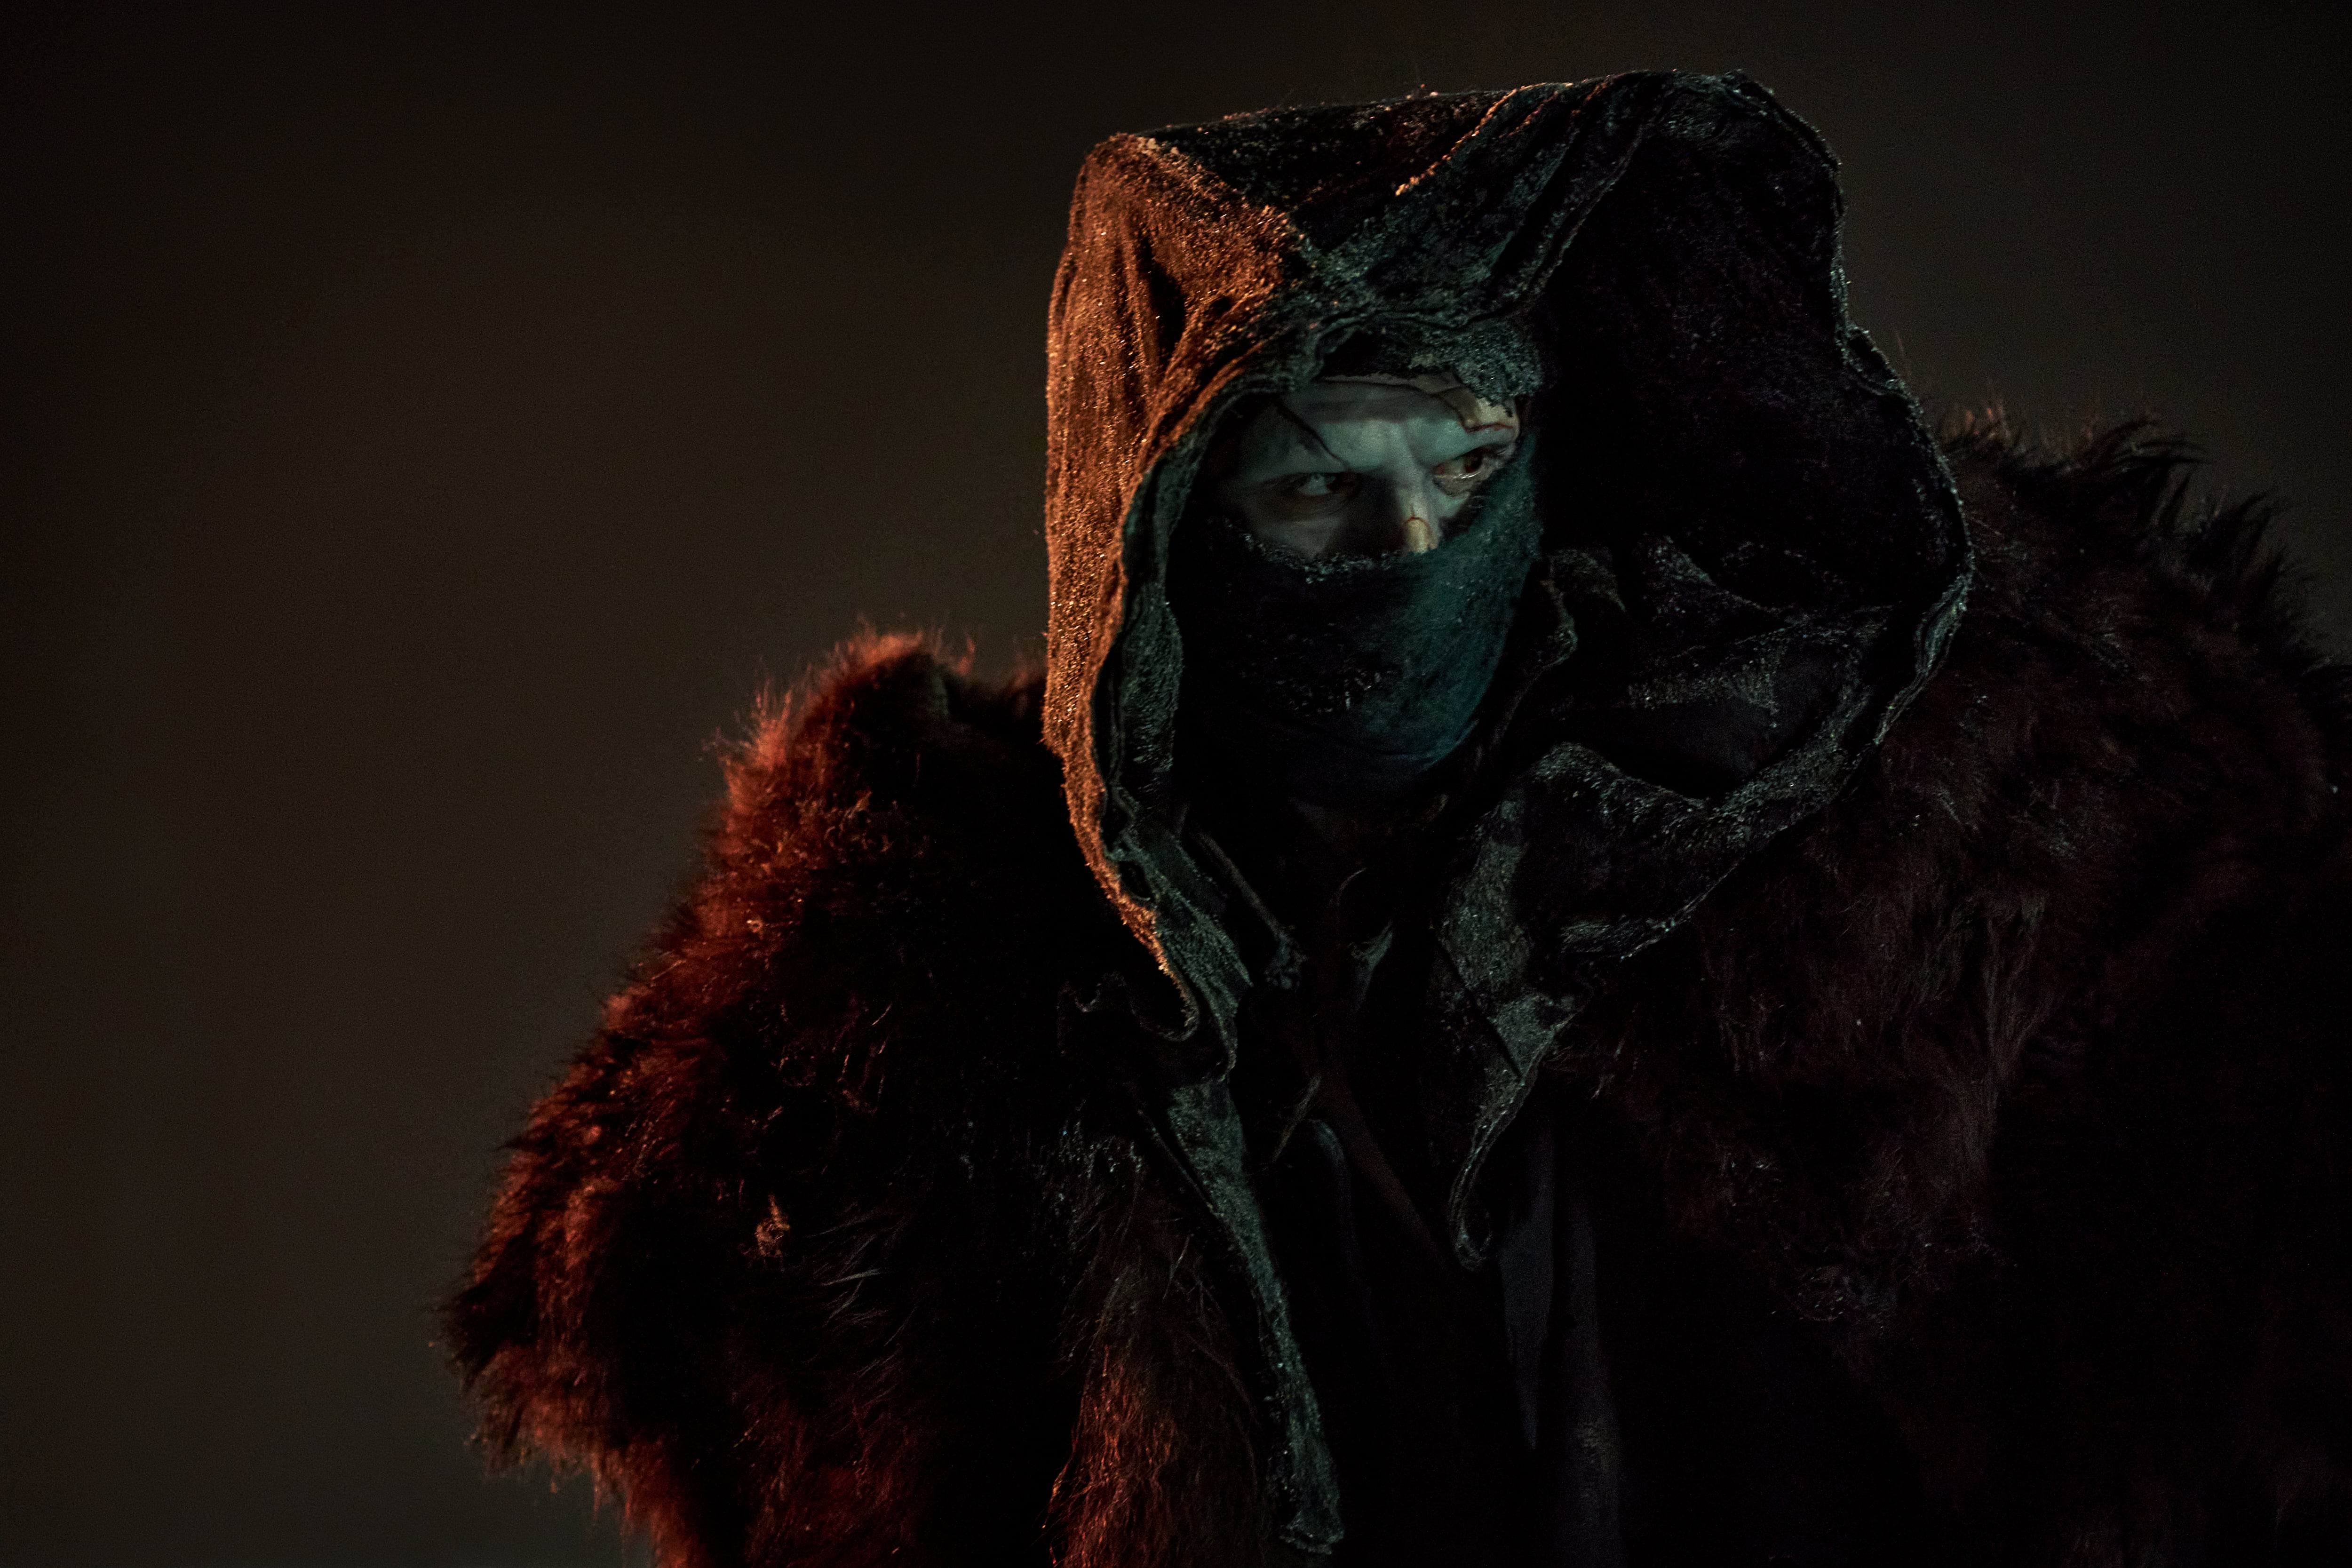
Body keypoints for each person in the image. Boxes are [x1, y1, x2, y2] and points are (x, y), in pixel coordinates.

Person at [445, 72, 2352, 1566]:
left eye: (1462, 461)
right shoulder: (951, 992)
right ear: (1173, 514)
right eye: (1307, 484)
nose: (1397, 549)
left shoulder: (1904, 848)